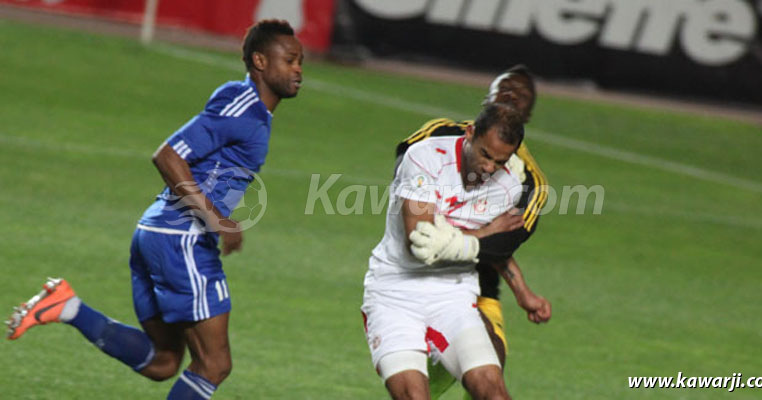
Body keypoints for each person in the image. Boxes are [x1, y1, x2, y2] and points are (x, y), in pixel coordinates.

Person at [5, 19, 303, 399]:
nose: (298, 70)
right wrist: (217, 220)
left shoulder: (252, 111)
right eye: (290, 60)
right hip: (183, 239)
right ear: (260, 61)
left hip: (158, 233)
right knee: (214, 364)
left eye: (301, 61)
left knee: (163, 361)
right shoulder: (242, 106)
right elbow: (167, 155)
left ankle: (68, 307)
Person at [395, 65, 552, 399]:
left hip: (476, 292)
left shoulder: (529, 182)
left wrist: (522, 291)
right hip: (411, 282)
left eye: (522, 95)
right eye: (505, 87)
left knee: (488, 384)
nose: (511, 95)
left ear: (528, 114)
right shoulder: (439, 134)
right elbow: (405, 176)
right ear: (488, 97)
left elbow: (501, 244)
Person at [362, 102, 531, 400]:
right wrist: (485, 233)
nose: (489, 168)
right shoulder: (425, 157)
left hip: (454, 297)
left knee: (494, 394)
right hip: (395, 294)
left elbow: (494, 250)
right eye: (485, 154)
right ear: (470, 133)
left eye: (500, 161)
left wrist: (523, 292)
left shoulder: (508, 187)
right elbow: (419, 242)